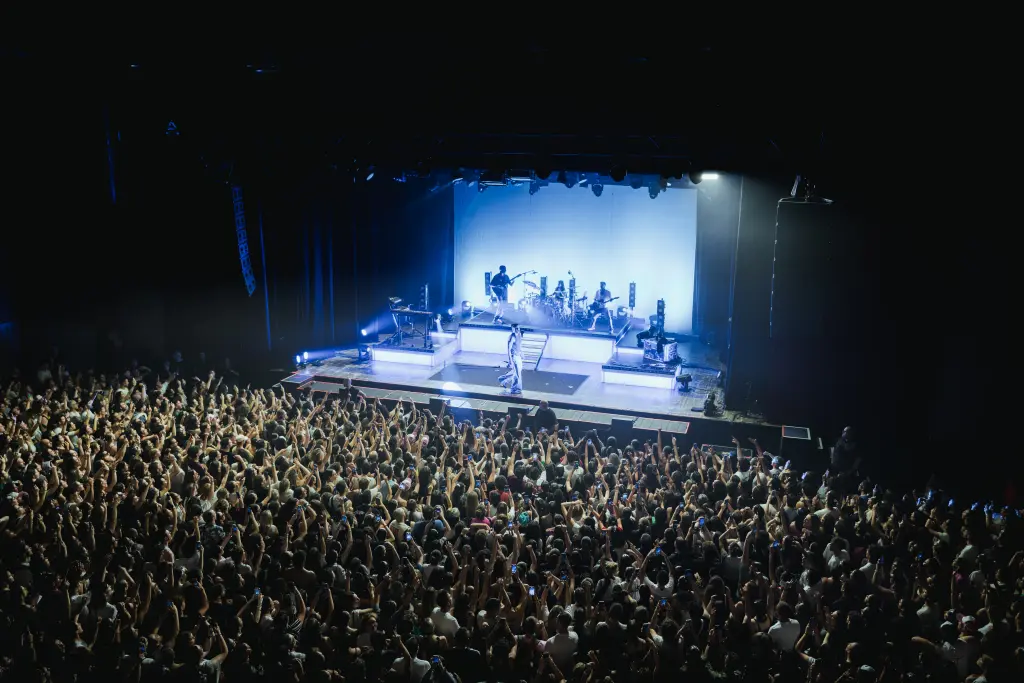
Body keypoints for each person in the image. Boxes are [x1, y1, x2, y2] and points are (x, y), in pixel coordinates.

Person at [498, 322, 523, 394]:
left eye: (518, 328)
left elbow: (519, 345)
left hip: (518, 355)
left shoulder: (519, 335)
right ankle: (515, 389)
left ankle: (503, 380)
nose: (517, 330)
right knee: (517, 374)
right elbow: (509, 349)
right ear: (513, 329)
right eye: (515, 329)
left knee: (516, 372)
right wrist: (510, 360)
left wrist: (522, 353)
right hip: (514, 356)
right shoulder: (512, 337)